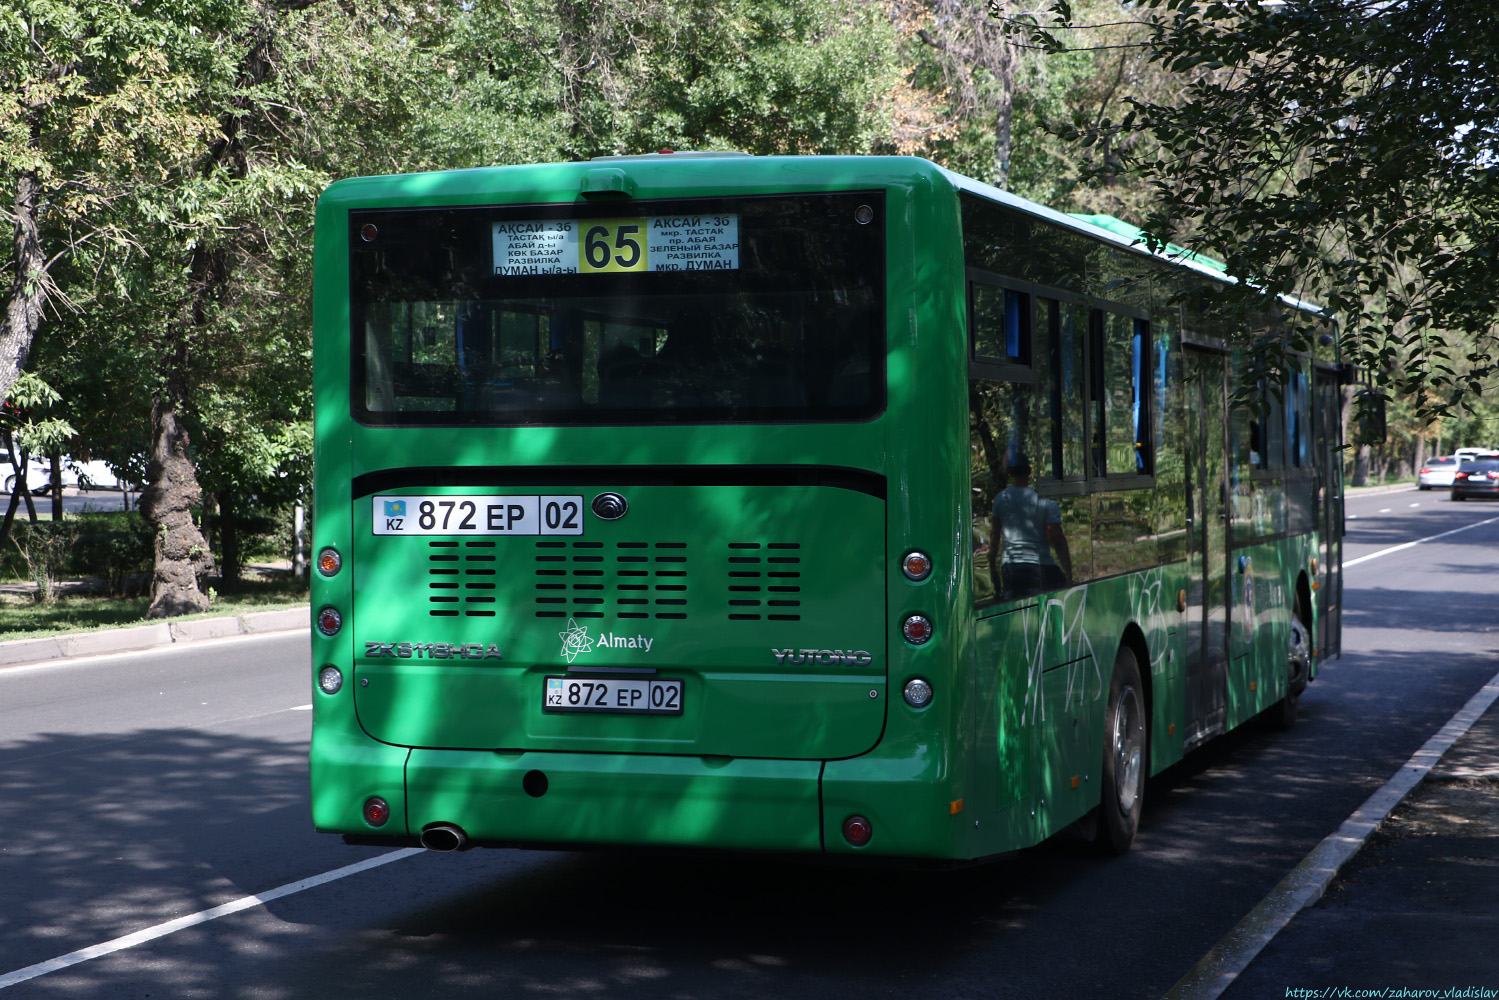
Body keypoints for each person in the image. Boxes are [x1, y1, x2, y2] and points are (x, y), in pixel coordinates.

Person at [989, 456, 1072, 600]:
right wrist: (1069, 574)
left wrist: (992, 567)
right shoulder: (1046, 502)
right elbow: (1056, 539)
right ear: (1029, 471)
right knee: (1058, 596)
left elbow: (995, 537)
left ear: (1011, 473)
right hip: (1039, 566)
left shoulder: (1001, 500)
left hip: (1010, 567)